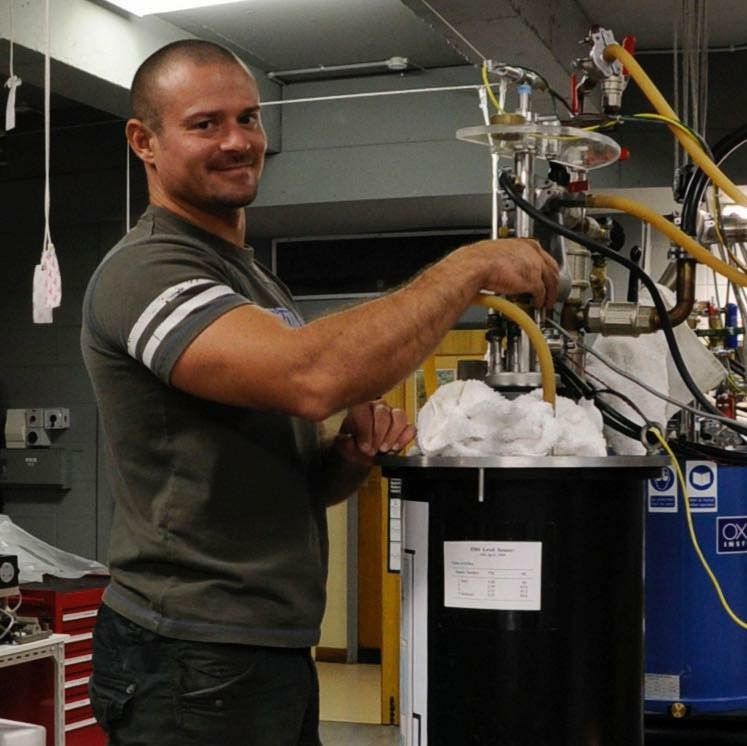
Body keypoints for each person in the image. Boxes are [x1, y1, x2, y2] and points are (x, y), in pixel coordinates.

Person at [81, 39, 559, 746]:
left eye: (248, 118)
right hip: (190, 653)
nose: (238, 141)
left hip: (257, 645)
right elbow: (311, 377)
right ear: (143, 141)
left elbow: (280, 476)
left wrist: (344, 460)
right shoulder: (147, 271)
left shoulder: (247, 279)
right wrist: (468, 265)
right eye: (205, 123)